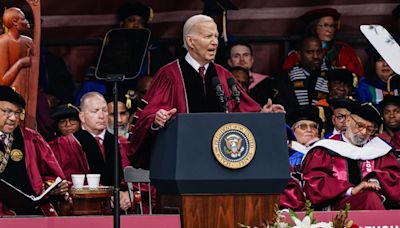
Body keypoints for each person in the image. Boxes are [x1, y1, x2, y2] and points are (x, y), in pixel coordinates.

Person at [129, 14, 285, 169]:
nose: (215, 42)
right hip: (182, 163)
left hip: (223, 162)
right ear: (190, 41)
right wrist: (156, 121)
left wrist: (264, 115)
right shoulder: (169, 75)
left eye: (216, 36)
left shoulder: (224, 75)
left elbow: (243, 110)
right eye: (208, 36)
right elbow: (145, 119)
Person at [301, 102, 400, 210]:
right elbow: (315, 182)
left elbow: (393, 177)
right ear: (348, 121)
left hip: (376, 202)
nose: (363, 132)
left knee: (370, 197)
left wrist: (375, 181)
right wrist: (351, 190)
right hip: (337, 208)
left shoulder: (379, 149)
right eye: (360, 125)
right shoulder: (325, 148)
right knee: (369, 198)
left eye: (369, 129)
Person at [49, 92, 131, 211]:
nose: (101, 116)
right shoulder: (66, 144)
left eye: (104, 110)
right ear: (82, 116)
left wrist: (127, 193)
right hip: (82, 209)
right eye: (95, 111)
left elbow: (133, 179)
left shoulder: (121, 143)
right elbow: (62, 180)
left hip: (119, 209)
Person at [0, 86, 69, 216]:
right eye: (8, 111)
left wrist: (52, 187)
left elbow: (51, 175)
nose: (14, 118)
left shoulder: (31, 138)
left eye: (17, 113)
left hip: (30, 210)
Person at [282, 8, 363, 76]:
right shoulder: (297, 55)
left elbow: (354, 77)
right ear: (313, 28)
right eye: (325, 25)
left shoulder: (343, 52)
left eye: (331, 26)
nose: (329, 30)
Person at [275, 35, 328, 113]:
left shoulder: (332, 77)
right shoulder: (286, 79)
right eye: (310, 52)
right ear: (299, 55)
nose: (316, 56)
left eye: (319, 51)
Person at [227, 41, 278, 106]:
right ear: (229, 62)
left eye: (246, 55)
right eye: (236, 56)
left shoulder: (267, 83)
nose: (242, 59)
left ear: (252, 60)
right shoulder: (223, 83)